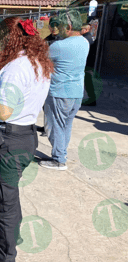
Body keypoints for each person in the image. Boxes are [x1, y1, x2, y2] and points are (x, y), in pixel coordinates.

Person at [0, 17, 54, 262]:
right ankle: (9, 233)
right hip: (25, 135)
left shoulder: (16, 67)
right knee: (10, 193)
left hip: (6, 138)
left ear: (9, 39)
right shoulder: (37, 62)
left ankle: (5, 257)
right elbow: (18, 97)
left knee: (4, 199)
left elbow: (4, 111)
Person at [39, 10, 90, 170]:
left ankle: (59, 160)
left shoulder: (59, 46)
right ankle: (62, 154)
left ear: (68, 27)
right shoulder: (84, 42)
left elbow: (39, 58)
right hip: (76, 93)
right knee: (66, 126)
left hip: (60, 92)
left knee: (56, 127)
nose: (57, 30)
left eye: (60, 27)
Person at [36, 15, 64, 136]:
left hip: (58, 75)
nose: (54, 28)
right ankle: (47, 127)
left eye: (56, 26)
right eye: (52, 26)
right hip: (47, 74)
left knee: (55, 106)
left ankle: (52, 129)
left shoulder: (62, 41)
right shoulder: (46, 40)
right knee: (46, 104)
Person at [81, 23, 97, 106]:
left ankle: (92, 99)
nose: (80, 30)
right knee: (87, 81)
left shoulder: (86, 39)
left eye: (82, 29)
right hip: (88, 63)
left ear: (86, 30)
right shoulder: (88, 38)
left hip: (87, 63)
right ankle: (91, 99)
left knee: (88, 81)